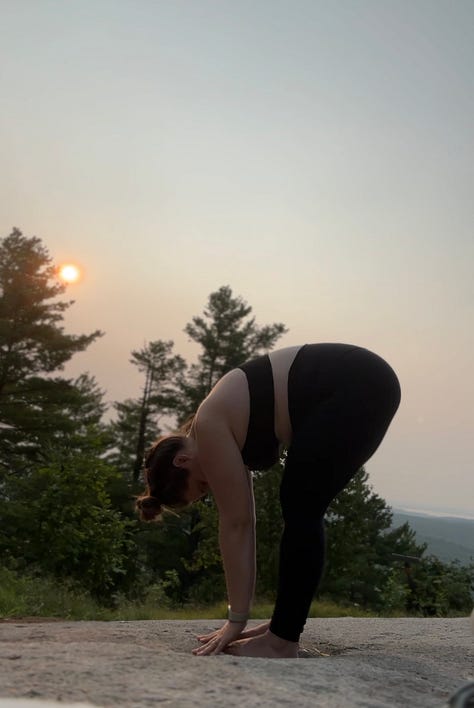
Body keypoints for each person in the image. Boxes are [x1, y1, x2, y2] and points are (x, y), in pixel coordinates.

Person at [136, 343, 401, 658]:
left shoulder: (208, 425)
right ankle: (282, 628)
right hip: (367, 380)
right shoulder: (222, 425)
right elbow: (246, 520)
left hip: (354, 382)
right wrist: (239, 617)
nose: (214, 486)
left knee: (301, 503)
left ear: (182, 461)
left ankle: (282, 641)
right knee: (302, 503)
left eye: (203, 484)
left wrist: (235, 621)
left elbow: (236, 524)